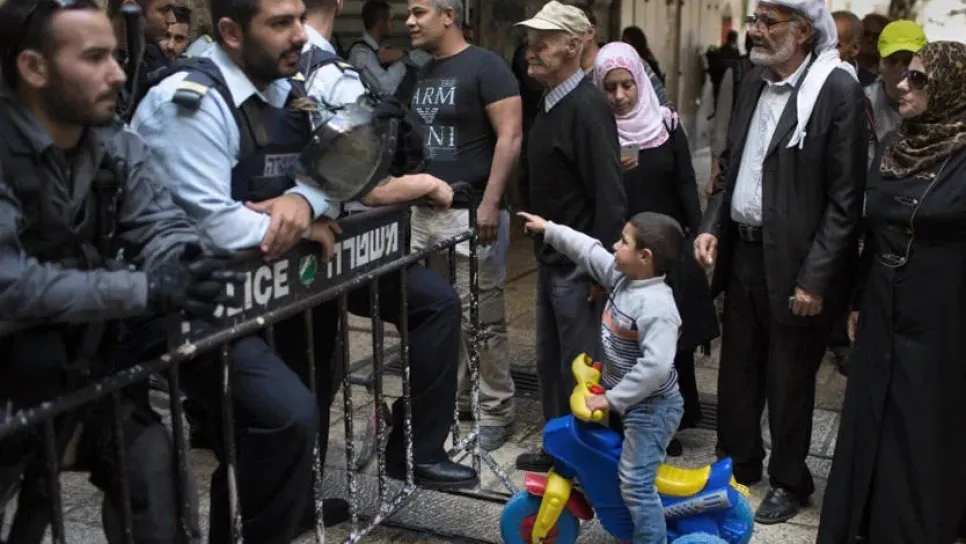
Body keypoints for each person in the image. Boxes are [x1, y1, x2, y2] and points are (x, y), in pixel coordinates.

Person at [131, 0, 476, 538]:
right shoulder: (190, 102)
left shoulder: (287, 91)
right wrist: (297, 216)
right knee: (278, 418)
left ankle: (290, 513)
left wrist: (302, 201)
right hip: (202, 300)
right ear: (231, 32)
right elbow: (213, 226)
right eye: (280, 23)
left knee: (301, 405)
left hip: (280, 290)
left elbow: (336, 178)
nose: (301, 35)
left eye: (298, 18)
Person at [0, 0, 242, 541]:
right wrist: (143, 288)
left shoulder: (112, 143)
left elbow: (157, 220)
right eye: (94, 58)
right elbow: (10, 283)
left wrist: (186, 262)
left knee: (153, 477)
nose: (116, 73)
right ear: (34, 68)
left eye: (116, 55)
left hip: (80, 371)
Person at [693, 0, 868, 524]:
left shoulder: (837, 91)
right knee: (737, 371)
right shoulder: (753, 81)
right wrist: (711, 226)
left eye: (768, 22)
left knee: (789, 378)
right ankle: (739, 463)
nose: (755, 31)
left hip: (797, 263)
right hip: (744, 254)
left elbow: (845, 201)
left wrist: (815, 277)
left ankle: (791, 480)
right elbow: (730, 168)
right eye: (754, 20)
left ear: (804, 31)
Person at [818, 40, 966, 544]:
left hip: (942, 311)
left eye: (918, 79)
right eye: (905, 75)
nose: (902, 85)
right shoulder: (893, 145)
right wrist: (859, 299)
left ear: (951, 89)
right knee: (870, 411)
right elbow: (873, 231)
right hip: (882, 299)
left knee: (920, 421)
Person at [517, 209, 685, 544]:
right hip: (629, 399)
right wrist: (549, 229)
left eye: (624, 241)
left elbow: (655, 368)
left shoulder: (657, 307)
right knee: (614, 462)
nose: (615, 246)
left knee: (636, 482)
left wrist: (611, 398)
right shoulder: (623, 277)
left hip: (653, 409)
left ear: (645, 256)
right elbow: (588, 250)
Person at [512, 0, 628, 472]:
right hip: (552, 257)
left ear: (575, 46)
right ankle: (560, 450)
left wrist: (603, 269)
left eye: (545, 41)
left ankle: (585, 460)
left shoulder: (587, 106)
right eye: (531, 41)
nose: (532, 50)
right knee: (552, 361)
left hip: (580, 264)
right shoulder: (550, 101)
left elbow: (610, 193)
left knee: (582, 367)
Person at [405, 0, 523, 451]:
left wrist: (490, 203)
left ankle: (496, 410)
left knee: (482, 319)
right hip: (425, 213)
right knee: (440, 316)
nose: (410, 22)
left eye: (419, 12)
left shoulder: (487, 67)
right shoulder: (423, 71)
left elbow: (510, 137)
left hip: (472, 213)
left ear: (448, 15)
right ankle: (454, 401)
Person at [593, 42, 718, 456]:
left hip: (666, 250)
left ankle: (669, 422)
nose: (620, 96)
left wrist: (699, 233)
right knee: (625, 341)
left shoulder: (666, 123)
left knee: (667, 342)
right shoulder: (598, 130)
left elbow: (685, 181)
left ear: (641, 82)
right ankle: (624, 417)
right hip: (624, 252)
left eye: (627, 85)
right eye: (610, 87)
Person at [110, 0, 176, 118]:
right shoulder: (97, 65)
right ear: (130, 6)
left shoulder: (155, 57)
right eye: (164, 10)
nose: (172, 20)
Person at [864, 20, 927, 142]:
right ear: (879, 62)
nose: (900, 69)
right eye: (892, 60)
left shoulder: (936, 106)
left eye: (908, 61)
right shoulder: (861, 103)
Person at [349, 0, 419, 101]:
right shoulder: (360, 53)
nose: (393, 25)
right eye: (391, 20)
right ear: (380, 23)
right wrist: (401, 58)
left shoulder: (376, 50)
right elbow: (385, 88)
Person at [857, 13, 891, 86]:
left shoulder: (889, 73)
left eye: (876, 36)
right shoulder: (843, 62)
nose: (870, 39)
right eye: (866, 34)